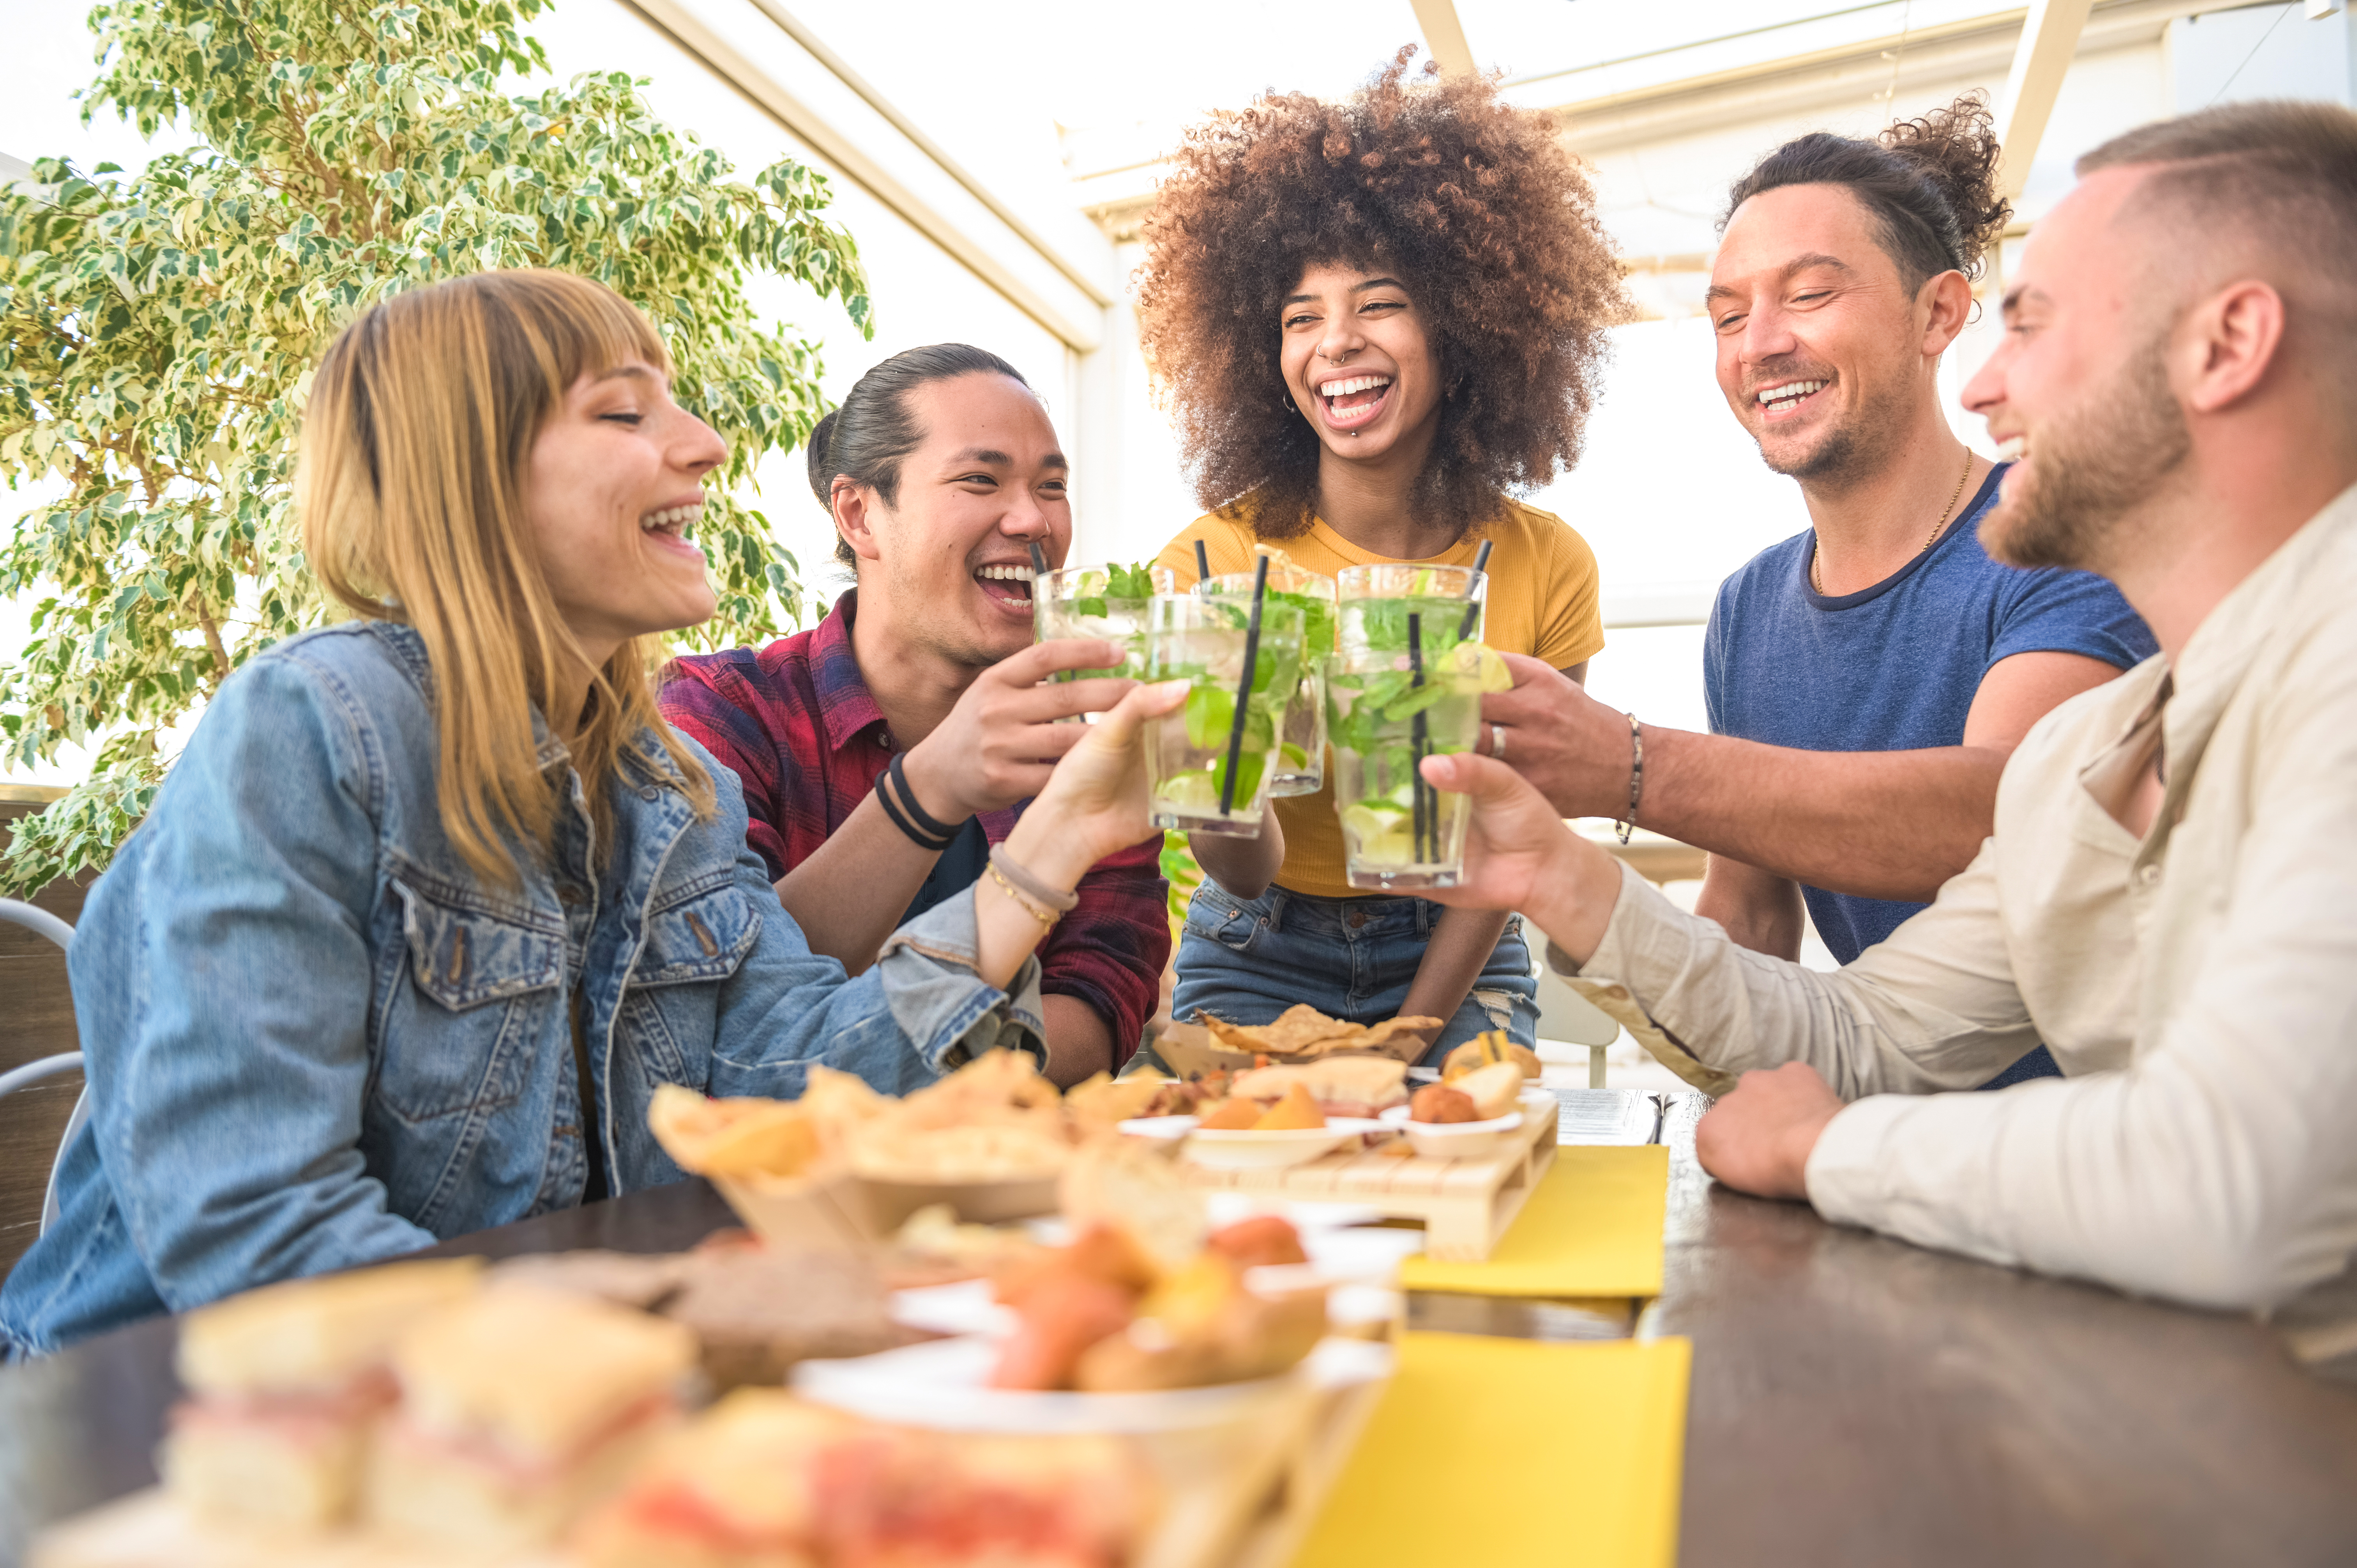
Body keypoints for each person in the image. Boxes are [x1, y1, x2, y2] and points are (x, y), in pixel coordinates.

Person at [0, 272, 1186, 1355]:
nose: (708, 445)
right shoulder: (314, 731)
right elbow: (260, 1249)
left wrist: (1052, 846)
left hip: (513, 1400)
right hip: (160, 1436)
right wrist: (643, 1328)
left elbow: (792, 1077)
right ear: (466, 472)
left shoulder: (671, 789)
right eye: (625, 415)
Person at [1419, 102, 2357, 1353]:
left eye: (2033, 323)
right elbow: (1864, 1034)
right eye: (1728, 312)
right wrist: (1563, 875)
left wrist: (1833, 1149)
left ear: (2228, 342)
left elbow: (2241, 1185)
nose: (1987, 382)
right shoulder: (2106, 748)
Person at [1479, 96, 2156, 1088]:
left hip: (2095, 1155)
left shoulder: (2060, 534)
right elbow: (1750, 920)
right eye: (1726, 316)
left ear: (1939, 312)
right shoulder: (1749, 609)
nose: (1759, 344)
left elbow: (2002, 811)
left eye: (1807, 295)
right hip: (1878, 1128)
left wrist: (1624, 763)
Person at [1136, 51, 1625, 1064]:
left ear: (1464, 324)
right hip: (1258, 940)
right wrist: (1224, 782)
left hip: (1461, 942)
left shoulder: (1546, 564)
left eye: (1380, 303)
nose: (1336, 343)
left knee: (1464, 1165)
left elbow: (1508, 842)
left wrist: (1409, 1041)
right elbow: (1235, 865)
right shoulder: (1211, 564)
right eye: (1299, 317)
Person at [659, 346, 1169, 1088]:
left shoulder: (1087, 756)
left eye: (1052, 486)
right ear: (860, 514)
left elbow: (1100, 1000)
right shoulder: (723, 714)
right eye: (980, 480)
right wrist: (931, 787)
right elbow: (729, 998)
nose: (1032, 519)